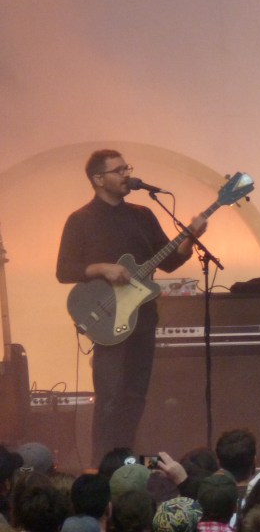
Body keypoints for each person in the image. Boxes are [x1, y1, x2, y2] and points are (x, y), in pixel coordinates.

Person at [56, 149, 208, 461]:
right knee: (109, 397)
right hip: (107, 318)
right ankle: (101, 465)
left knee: (135, 396)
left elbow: (169, 262)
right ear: (99, 179)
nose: (127, 174)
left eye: (127, 168)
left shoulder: (143, 215)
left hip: (142, 318)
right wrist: (102, 268)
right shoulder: (81, 220)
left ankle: (126, 461)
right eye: (119, 170)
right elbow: (64, 270)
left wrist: (190, 238)